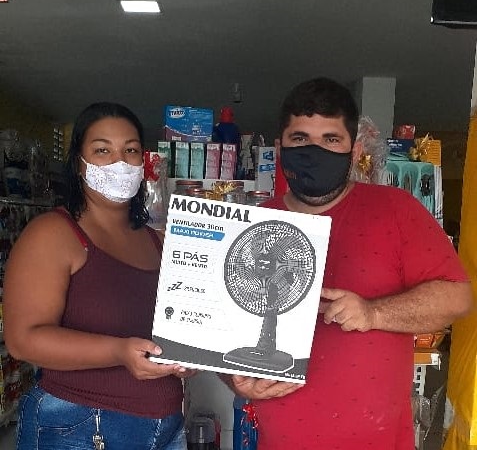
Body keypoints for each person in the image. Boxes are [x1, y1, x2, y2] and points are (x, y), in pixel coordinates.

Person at [221, 77, 473, 449]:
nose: (314, 151)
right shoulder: (253, 226)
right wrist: (236, 381)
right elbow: (220, 333)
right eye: (300, 138)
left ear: (354, 152)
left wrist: (373, 313)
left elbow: (457, 298)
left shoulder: (395, 210)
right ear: (280, 148)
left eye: (330, 140)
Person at [3, 102, 194, 450]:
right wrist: (119, 352)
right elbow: (22, 340)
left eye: (130, 150)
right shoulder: (52, 234)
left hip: (166, 427)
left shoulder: (157, 241)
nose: (120, 162)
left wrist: (188, 356)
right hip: (81, 426)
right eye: (103, 150)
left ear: (143, 162)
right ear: (79, 162)